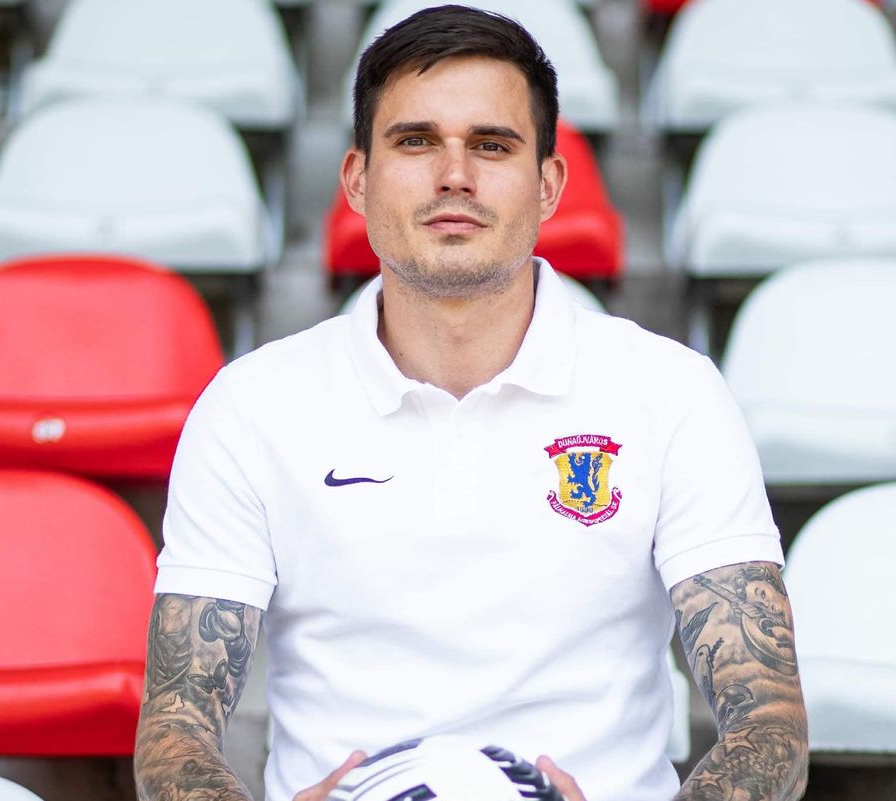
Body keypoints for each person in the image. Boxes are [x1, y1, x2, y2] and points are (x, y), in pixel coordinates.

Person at [133, 6, 809, 801]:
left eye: (491, 144)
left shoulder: (672, 391)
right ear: (357, 180)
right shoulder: (252, 405)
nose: (454, 174)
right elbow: (174, 729)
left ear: (549, 184)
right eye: (416, 141)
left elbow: (768, 722)